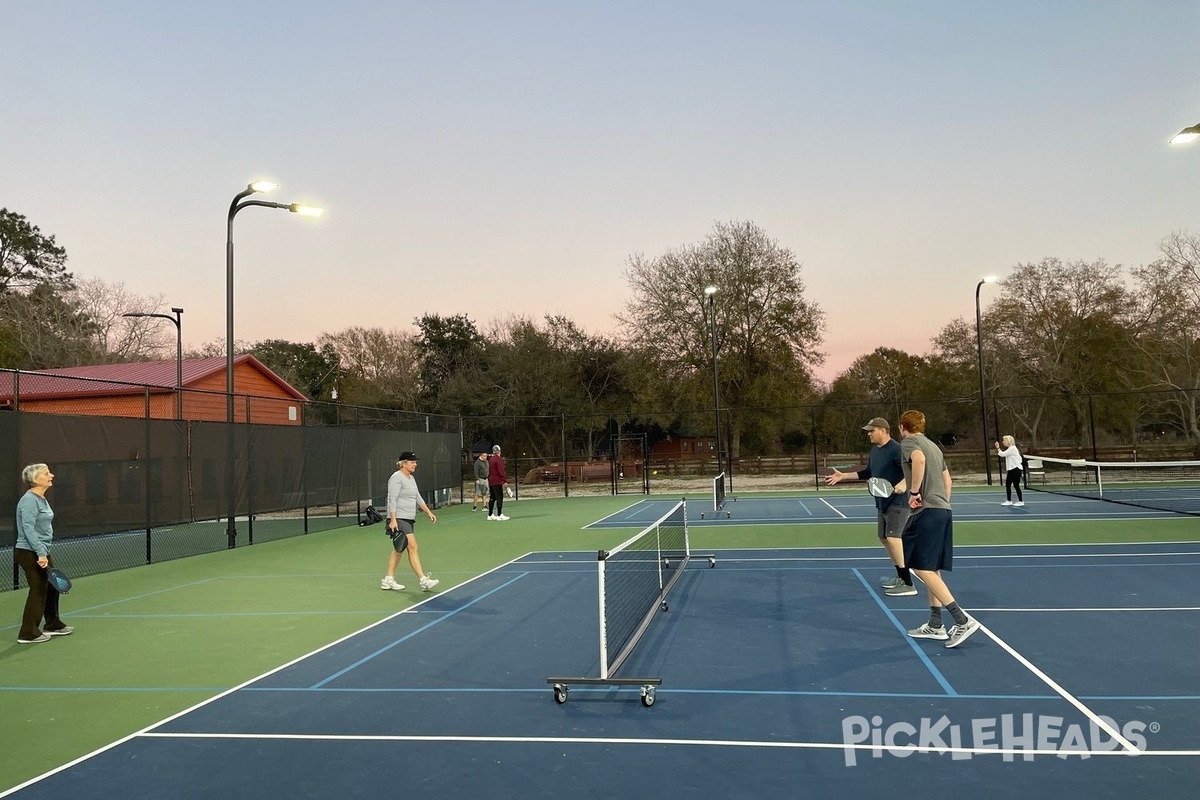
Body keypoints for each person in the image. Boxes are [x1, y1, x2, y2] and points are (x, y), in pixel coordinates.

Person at [897, 410, 981, 649]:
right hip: (943, 510)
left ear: (903, 426)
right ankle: (936, 624)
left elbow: (919, 461)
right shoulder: (935, 446)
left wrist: (914, 494)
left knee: (921, 568)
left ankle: (961, 620)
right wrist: (942, 503)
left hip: (926, 512)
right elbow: (948, 481)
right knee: (931, 568)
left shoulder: (910, 442)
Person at [825, 417, 914, 596]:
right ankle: (899, 576)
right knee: (883, 538)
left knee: (894, 538)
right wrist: (843, 476)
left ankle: (908, 583)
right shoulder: (875, 451)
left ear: (882, 430)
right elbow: (867, 473)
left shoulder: (897, 449)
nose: (869, 434)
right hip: (882, 502)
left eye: (871, 430)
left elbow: (913, 471)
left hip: (898, 502)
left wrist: (904, 484)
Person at [15, 463, 73, 643]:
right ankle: (28, 633)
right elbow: (28, 529)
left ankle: (53, 624)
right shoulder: (29, 500)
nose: (52, 475)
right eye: (46, 473)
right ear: (35, 479)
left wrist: (43, 551)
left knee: (53, 586)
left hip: (41, 550)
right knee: (39, 589)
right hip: (28, 551)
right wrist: (40, 553)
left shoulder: (41, 499)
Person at [381, 451, 440, 592]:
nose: (415, 464)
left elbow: (418, 497)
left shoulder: (411, 479)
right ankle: (423, 580)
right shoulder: (396, 478)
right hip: (399, 518)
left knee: (399, 549)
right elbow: (392, 499)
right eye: (412, 462)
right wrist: (393, 520)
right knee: (412, 547)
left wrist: (428, 512)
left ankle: (388, 579)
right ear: (403, 463)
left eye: (415, 462)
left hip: (408, 518)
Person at [995, 435, 1025, 506]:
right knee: (1008, 485)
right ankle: (1009, 500)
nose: (1003, 442)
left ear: (1008, 441)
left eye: (1004, 440)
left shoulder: (1013, 448)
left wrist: (998, 448)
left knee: (1016, 485)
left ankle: (1021, 501)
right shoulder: (1010, 449)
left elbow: (1002, 454)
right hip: (1011, 470)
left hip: (1016, 469)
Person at [486, 444, 509, 521]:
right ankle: (499, 514)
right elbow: (501, 471)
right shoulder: (499, 459)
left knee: (492, 497)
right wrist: (504, 481)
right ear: (499, 451)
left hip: (491, 480)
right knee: (499, 497)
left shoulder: (491, 459)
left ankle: (490, 514)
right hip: (497, 481)